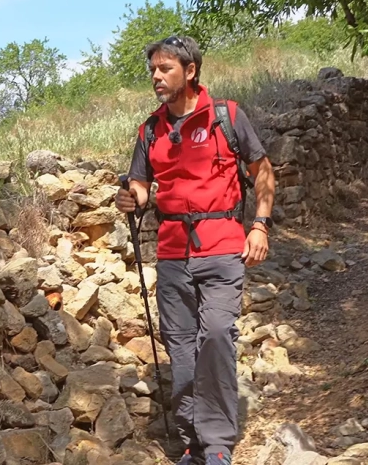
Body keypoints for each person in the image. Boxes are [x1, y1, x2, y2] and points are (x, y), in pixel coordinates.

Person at [115, 35, 276, 465]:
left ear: (190, 71)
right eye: (153, 69)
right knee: (182, 348)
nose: (156, 76)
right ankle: (193, 442)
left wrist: (259, 225)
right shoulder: (150, 129)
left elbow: (262, 170)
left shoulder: (227, 116)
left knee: (217, 336)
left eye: (165, 68)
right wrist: (131, 197)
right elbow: (141, 184)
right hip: (171, 253)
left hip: (223, 246)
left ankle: (218, 443)